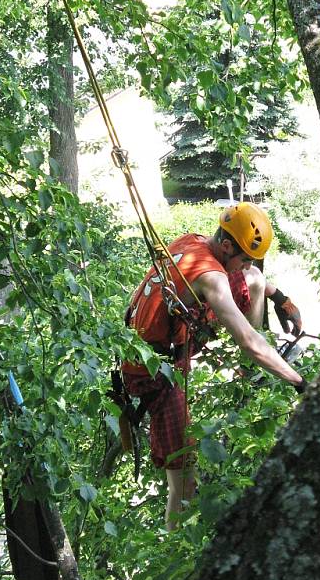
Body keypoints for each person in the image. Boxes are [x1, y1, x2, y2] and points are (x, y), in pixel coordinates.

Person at [122, 202, 305, 529]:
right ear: (225, 246)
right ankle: (174, 545)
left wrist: (280, 298)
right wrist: (299, 383)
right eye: (245, 257)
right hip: (154, 372)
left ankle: (248, 375)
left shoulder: (191, 241)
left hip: (160, 338)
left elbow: (248, 275)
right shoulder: (211, 276)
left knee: (253, 279)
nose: (246, 264)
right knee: (184, 480)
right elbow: (247, 339)